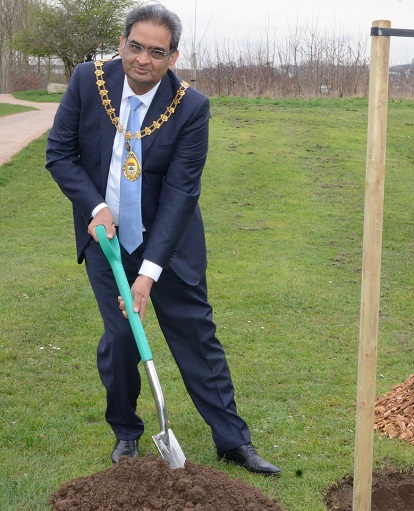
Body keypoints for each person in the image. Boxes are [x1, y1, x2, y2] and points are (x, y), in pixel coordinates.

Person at [45, 4, 280, 476]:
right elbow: (60, 154)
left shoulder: (191, 106)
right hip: (106, 240)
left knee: (196, 335)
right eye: (135, 47)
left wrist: (149, 274)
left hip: (167, 247)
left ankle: (233, 441)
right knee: (120, 337)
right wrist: (96, 207)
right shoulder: (87, 82)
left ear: (173, 57)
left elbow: (180, 194)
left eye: (157, 52)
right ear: (121, 45)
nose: (143, 60)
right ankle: (127, 434)